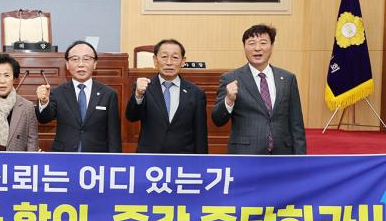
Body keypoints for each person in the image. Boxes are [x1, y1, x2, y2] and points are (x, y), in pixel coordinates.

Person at [212, 24, 306, 154]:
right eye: (251, 43)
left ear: (272, 46)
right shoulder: (231, 78)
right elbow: (217, 120)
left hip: (282, 154)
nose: (257, 48)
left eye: (263, 43)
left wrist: (300, 159)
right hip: (245, 154)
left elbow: (296, 124)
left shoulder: (287, 79)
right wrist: (228, 100)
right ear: (244, 47)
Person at [36, 40, 121, 152]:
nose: (81, 64)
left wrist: (114, 159)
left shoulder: (108, 94)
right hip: (64, 155)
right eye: (75, 59)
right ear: (67, 64)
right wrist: (43, 102)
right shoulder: (57, 93)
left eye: (86, 59)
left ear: (95, 64)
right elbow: (44, 119)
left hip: (96, 156)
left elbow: (114, 135)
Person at [126, 39, 208, 154]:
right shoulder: (144, 88)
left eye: (175, 57)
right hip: (150, 157)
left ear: (183, 61)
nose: (169, 62)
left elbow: (200, 134)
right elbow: (131, 116)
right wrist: (138, 95)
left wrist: (202, 161)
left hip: (183, 158)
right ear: (155, 60)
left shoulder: (196, 93)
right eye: (164, 57)